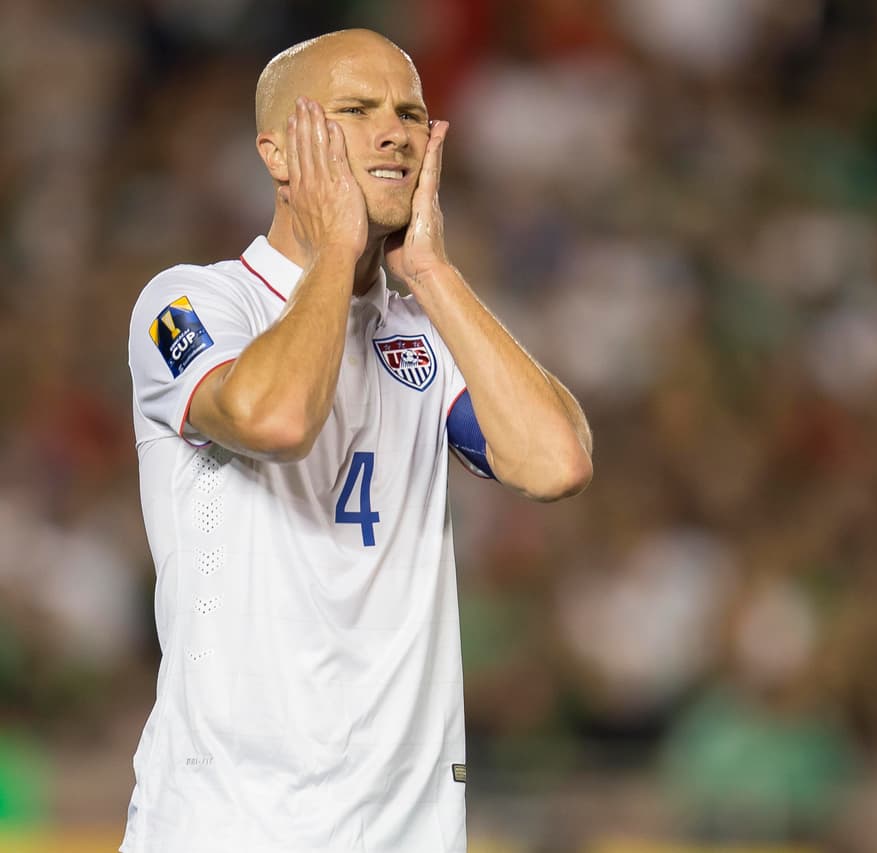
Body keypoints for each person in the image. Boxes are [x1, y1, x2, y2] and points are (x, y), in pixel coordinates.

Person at [122, 29, 593, 853]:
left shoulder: (425, 329)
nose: (395, 132)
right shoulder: (192, 303)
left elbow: (556, 462)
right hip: (227, 823)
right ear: (278, 151)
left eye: (411, 113)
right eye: (357, 110)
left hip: (406, 829)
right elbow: (276, 419)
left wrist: (436, 277)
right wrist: (336, 245)